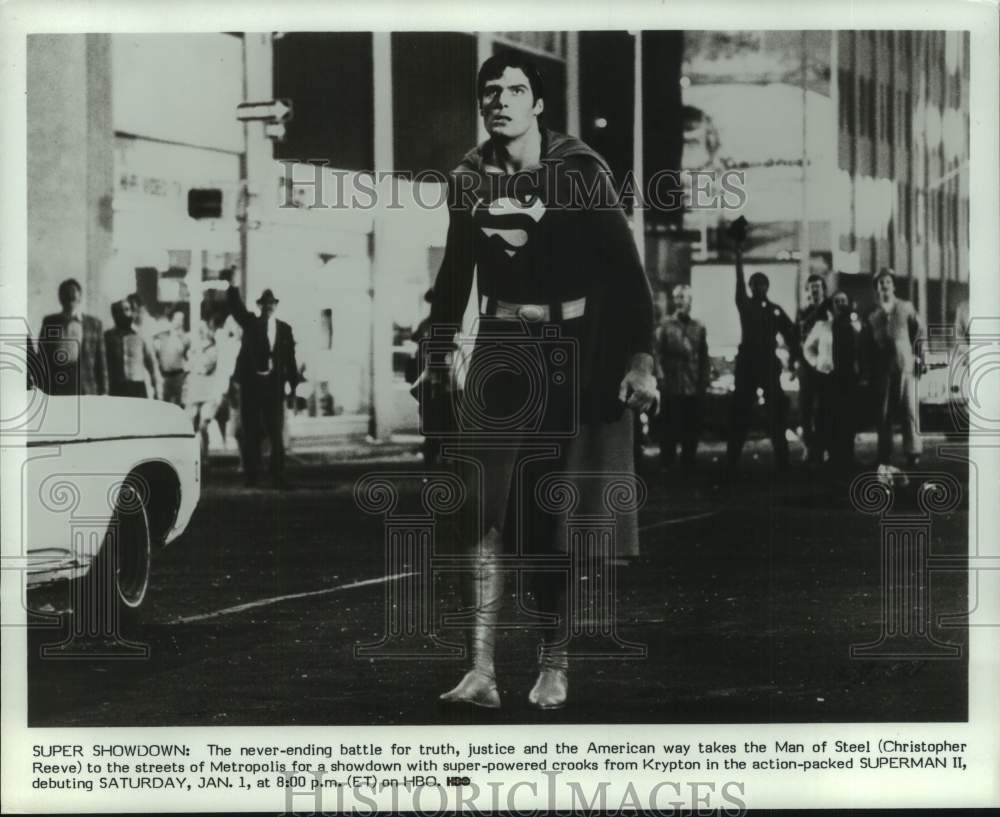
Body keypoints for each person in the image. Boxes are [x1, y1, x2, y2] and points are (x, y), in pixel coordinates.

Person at [417, 52, 656, 710]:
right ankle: (480, 670)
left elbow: (628, 274)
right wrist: (436, 353)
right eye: (490, 90)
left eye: (516, 90)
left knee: (553, 519)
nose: (501, 100)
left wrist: (641, 360)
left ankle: (555, 663)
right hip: (499, 350)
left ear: (539, 104)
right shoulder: (469, 179)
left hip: (571, 353)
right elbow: (455, 274)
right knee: (477, 507)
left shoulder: (580, 172)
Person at [725, 219, 800, 474]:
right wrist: (738, 252)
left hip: (767, 364)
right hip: (748, 363)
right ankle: (730, 464)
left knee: (776, 415)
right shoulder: (745, 306)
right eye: (754, 284)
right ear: (750, 287)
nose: (758, 287)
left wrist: (795, 358)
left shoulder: (775, 310)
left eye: (762, 283)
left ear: (767, 287)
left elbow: (792, 333)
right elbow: (738, 281)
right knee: (740, 413)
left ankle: (783, 464)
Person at [221, 270, 301, 488]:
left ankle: (277, 475)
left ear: (276, 305)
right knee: (251, 430)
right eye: (264, 303)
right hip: (252, 385)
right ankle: (252, 476)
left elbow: (290, 359)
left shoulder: (284, 329)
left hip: (274, 385)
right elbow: (236, 308)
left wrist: (294, 388)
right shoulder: (251, 324)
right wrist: (232, 286)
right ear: (259, 306)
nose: (268, 307)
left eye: (271, 303)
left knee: (276, 431)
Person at [863, 268, 923, 470]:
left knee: (909, 410)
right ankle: (884, 454)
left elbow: (919, 333)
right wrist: (868, 371)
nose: (885, 285)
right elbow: (868, 345)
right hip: (883, 370)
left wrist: (919, 358)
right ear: (877, 288)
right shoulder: (873, 316)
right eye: (881, 283)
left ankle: (913, 453)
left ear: (894, 285)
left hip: (905, 366)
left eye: (888, 281)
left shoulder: (906, 307)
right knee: (884, 413)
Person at [656, 284, 710, 473]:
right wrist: (660, 378)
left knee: (691, 426)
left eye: (682, 297)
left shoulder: (699, 326)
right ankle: (667, 462)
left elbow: (704, 356)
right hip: (672, 383)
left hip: (692, 383)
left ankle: (689, 461)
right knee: (669, 425)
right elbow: (657, 354)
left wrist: (704, 380)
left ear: (690, 301)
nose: (678, 301)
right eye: (676, 297)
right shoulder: (665, 325)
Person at [34, 278, 108, 396]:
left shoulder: (94, 324)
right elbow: (42, 357)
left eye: (73, 297)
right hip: (57, 385)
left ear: (80, 298)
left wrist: (104, 391)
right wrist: (41, 388)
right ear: (60, 298)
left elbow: (101, 362)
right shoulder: (50, 322)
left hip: (86, 387)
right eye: (66, 297)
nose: (69, 301)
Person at [796, 273, 829, 463]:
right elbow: (797, 337)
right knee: (805, 407)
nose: (815, 290)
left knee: (824, 407)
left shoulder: (830, 310)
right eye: (811, 287)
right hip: (806, 366)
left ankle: (823, 447)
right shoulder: (803, 313)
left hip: (825, 364)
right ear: (807, 291)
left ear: (824, 289)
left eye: (818, 286)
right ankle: (808, 445)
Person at [828, 290, 861, 474]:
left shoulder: (854, 326)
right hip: (832, 378)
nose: (841, 304)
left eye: (843, 300)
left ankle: (848, 457)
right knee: (833, 419)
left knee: (849, 419)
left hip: (849, 378)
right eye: (837, 301)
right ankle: (835, 458)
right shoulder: (827, 326)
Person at [104, 298, 159, 398]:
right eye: (119, 311)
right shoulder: (107, 337)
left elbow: (151, 363)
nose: (124, 314)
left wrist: (156, 387)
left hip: (137, 388)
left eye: (127, 309)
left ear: (132, 312)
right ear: (114, 314)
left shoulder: (141, 335)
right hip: (117, 388)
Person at [155, 309, 190, 405]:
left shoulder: (185, 338)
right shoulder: (162, 335)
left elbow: (186, 355)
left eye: (181, 319)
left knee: (178, 404)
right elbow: (156, 352)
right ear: (172, 320)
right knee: (164, 404)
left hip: (178, 375)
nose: (179, 322)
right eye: (177, 319)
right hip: (165, 376)